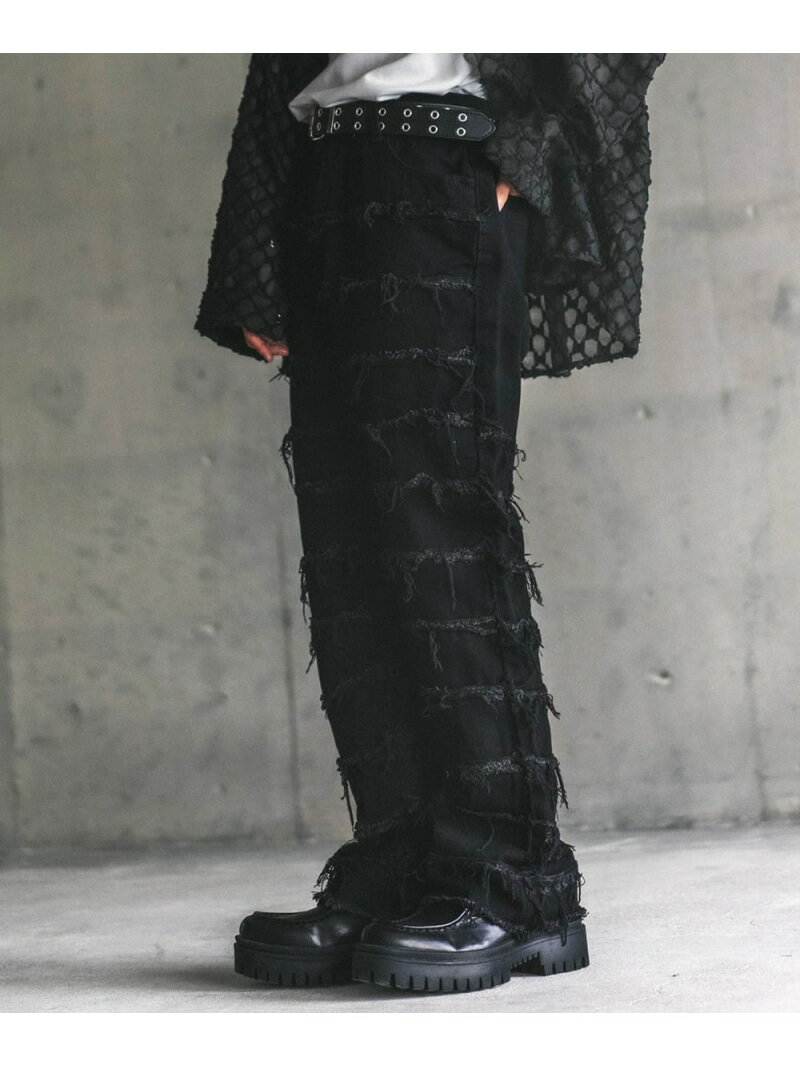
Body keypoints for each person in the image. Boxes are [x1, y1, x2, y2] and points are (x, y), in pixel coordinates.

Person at [194, 53, 665, 995]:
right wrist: (258, 244)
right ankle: (403, 860)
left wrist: (528, 150)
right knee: (348, 541)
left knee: (440, 527)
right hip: (328, 176)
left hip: (444, 165)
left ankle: (511, 878)